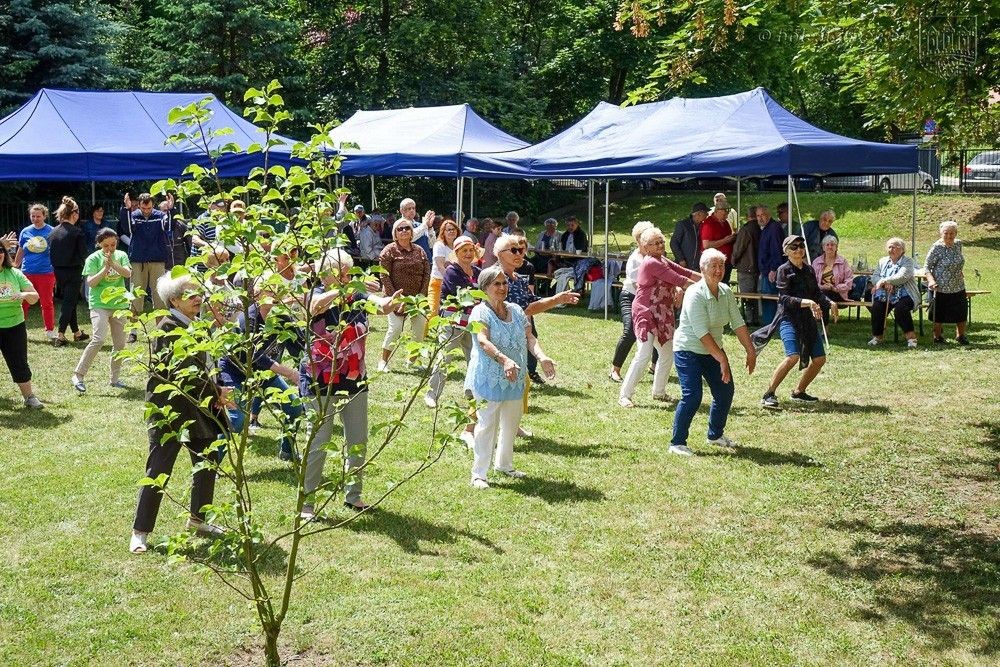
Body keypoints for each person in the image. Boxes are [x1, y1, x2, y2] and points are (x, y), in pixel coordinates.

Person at [130, 274, 227, 554]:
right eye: (189, 294)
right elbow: (185, 374)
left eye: (199, 293)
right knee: (159, 470)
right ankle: (140, 532)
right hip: (169, 412)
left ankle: (199, 520)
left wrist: (218, 388)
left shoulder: (198, 325)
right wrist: (217, 392)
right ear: (173, 301)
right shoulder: (168, 328)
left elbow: (210, 364)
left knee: (206, 463)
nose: (198, 298)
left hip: (199, 407)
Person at [300, 249, 401, 518]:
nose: (347, 278)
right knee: (318, 442)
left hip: (354, 379)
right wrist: (344, 289)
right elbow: (315, 307)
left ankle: (353, 496)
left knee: (358, 440)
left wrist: (389, 302)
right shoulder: (314, 294)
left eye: (349, 273)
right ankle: (307, 503)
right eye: (342, 274)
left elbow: (379, 305)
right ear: (327, 275)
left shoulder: (356, 296)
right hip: (320, 382)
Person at [467, 265, 556, 489]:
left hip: (515, 377)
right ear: (485, 288)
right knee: (487, 425)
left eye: (504, 283)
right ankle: (479, 474)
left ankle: (504, 465)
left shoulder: (516, 310)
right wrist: (504, 359)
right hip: (489, 377)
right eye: (496, 284)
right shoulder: (480, 312)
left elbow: (530, 338)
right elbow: (482, 340)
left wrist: (542, 357)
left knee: (511, 423)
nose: (502, 287)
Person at [669, 248, 756, 455]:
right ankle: (677, 443)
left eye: (721, 265)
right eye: (713, 266)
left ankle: (715, 435)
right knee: (692, 396)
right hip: (688, 350)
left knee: (725, 392)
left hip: (713, 350)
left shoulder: (726, 291)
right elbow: (701, 332)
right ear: (702, 269)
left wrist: (750, 350)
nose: (718, 270)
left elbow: (738, 323)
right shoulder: (694, 293)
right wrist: (722, 359)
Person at [619, 227, 700, 408]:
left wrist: (709, 279)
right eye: (655, 243)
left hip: (663, 312)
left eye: (661, 241)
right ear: (646, 247)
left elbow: (685, 272)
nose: (660, 245)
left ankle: (659, 392)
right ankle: (625, 395)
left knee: (667, 352)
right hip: (646, 311)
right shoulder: (650, 263)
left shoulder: (662, 259)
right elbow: (680, 279)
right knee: (644, 353)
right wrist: (707, 287)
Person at [754, 235, 837, 409]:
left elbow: (816, 294)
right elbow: (784, 299)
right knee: (793, 357)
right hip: (788, 319)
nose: (799, 249)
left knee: (820, 359)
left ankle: (799, 391)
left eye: (801, 246)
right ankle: (769, 394)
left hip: (807, 320)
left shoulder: (809, 270)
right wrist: (807, 302)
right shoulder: (783, 270)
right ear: (786, 252)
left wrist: (830, 302)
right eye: (794, 247)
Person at [218, 295, 303, 461]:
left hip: (264, 374)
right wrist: (291, 374)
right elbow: (256, 356)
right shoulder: (248, 319)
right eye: (269, 290)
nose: (275, 294)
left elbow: (299, 348)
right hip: (235, 372)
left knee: (294, 408)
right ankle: (212, 462)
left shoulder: (283, 318)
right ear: (258, 295)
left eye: (278, 289)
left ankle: (287, 452)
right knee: (237, 420)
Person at [425, 235, 482, 423]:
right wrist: (478, 297)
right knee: (445, 358)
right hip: (452, 323)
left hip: (472, 324)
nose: (468, 254)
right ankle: (432, 394)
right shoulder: (452, 271)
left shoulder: (478, 271)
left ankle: (473, 394)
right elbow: (464, 297)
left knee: (475, 360)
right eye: (464, 251)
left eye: (471, 250)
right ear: (456, 253)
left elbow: (483, 294)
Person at [71, 228, 132, 393]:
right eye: (106, 246)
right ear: (99, 244)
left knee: (120, 344)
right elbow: (91, 283)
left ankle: (115, 379)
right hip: (99, 304)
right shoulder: (93, 258)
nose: (110, 249)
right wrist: (105, 269)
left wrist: (113, 264)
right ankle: (78, 375)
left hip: (119, 304)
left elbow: (127, 274)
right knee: (98, 339)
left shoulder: (121, 255)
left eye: (113, 245)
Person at [378, 218, 430, 372]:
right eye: (400, 229)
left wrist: (421, 296)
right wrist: (396, 298)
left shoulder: (419, 250)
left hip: (416, 299)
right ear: (395, 233)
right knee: (395, 329)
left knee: (419, 329)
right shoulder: (389, 250)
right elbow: (384, 275)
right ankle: (383, 361)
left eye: (407, 228)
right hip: (395, 298)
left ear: (412, 231)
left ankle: (412, 361)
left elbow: (426, 273)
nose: (404, 231)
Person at [609, 221, 654, 382]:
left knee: (657, 330)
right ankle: (615, 369)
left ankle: (654, 366)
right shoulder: (635, 259)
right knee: (630, 332)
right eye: (646, 237)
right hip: (631, 297)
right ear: (638, 240)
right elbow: (639, 286)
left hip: (651, 299)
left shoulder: (654, 256)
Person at [0, 246, 44, 409]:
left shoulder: (15, 274)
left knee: (19, 362)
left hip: (14, 325)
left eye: (0, 251)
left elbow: (34, 297)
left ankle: (29, 397)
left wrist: (23, 294)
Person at [48, 196, 90, 346]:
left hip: (58, 271)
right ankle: (60, 335)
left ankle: (77, 332)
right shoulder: (77, 232)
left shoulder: (53, 232)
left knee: (69, 301)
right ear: (74, 214)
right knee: (68, 302)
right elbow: (84, 254)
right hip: (73, 271)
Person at [867, 237, 920, 349]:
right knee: (877, 307)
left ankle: (911, 338)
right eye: (889, 247)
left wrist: (885, 281)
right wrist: (884, 284)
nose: (891, 249)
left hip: (906, 294)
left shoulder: (908, 261)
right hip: (885, 294)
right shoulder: (882, 261)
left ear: (902, 250)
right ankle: (877, 337)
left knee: (901, 309)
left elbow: (903, 276)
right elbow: (875, 277)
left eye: (895, 247)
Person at [14, 203, 57, 339]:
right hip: (27, 272)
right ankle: (19, 329)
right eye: (33, 216)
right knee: (23, 302)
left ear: (44, 216)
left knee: (47, 302)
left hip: (46, 273)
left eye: (38, 216)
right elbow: (21, 250)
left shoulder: (52, 231)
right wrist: (15, 265)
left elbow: (57, 251)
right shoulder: (25, 231)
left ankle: (49, 330)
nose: (35, 219)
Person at [126, 193, 171, 319]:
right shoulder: (134, 215)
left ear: (153, 205)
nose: (146, 211)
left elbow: (168, 227)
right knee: (136, 295)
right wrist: (127, 210)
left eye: (149, 208)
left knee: (159, 295)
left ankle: (162, 328)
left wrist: (171, 209)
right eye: (143, 208)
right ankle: (133, 328)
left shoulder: (160, 215)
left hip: (157, 260)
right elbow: (128, 229)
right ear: (139, 205)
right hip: (138, 261)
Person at [925, 220, 968, 345]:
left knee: (961, 311)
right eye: (946, 233)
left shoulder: (958, 244)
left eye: (952, 233)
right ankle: (937, 336)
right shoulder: (936, 247)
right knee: (938, 313)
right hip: (940, 286)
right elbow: (927, 267)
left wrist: (959, 270)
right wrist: (931, 281)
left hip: (958, 285)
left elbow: (958, 260)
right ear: (941, 233)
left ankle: (961, 336)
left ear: (956, 233)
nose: (949, 236)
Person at [731, 204, 762, 326]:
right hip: (757, 267)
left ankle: (749, 319)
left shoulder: (746, 230)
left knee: (747, 295)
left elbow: (739, 249)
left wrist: (733, 260)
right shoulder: (761, 228)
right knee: (756, 294)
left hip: (746, 267)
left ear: (747, 216)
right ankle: (756, 318)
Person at [699, 195, 736, 283]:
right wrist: (725, 240)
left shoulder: (725, 222)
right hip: (714, 263)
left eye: (727, 214)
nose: (726, 216)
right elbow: (706, 245)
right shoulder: (709, 223)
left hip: (726, 261)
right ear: (716, 212)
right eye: (724, 214)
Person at [756, 205, 783, 324]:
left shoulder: (774, 228)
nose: (760, 218)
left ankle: (770, 325)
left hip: (771, 272)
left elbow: (777, 250)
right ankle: (769, 324)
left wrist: (774, 269)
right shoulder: (767, 228)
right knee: (767, 298)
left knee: (769, 298)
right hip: (766, 271)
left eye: (762, 215)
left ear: (769, 215)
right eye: (758, 216)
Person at [429, 219, 461, 317]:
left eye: (453, 229)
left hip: (454, 283)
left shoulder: (458, 246)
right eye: (448, 230)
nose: (451, 231)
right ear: (443, 232)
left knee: (451, 313)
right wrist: (450, 281)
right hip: (438, 283)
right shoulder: (439, 245)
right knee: (433, 312)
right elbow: (440, 267)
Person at [811, 235, 853, 305]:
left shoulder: (842, 262)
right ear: (823, 247)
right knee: (822, 294)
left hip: (838, 293)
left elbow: (849, 282)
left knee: (823, 296)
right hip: (821, 291)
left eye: (832, 245)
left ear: (836, 247)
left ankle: (824, 312)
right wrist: (822, 287)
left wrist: (834, 288)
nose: (830, 247)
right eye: (827, 245)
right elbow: (812, 281)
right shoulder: (816, 262)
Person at [670, 202, 708, 270]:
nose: (707, 214)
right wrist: (681, 259)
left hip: (698, 266)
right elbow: (674, 242)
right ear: (698, 214)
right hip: (684, 265)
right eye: (705, 212)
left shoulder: (704, 226)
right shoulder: (683, 225)